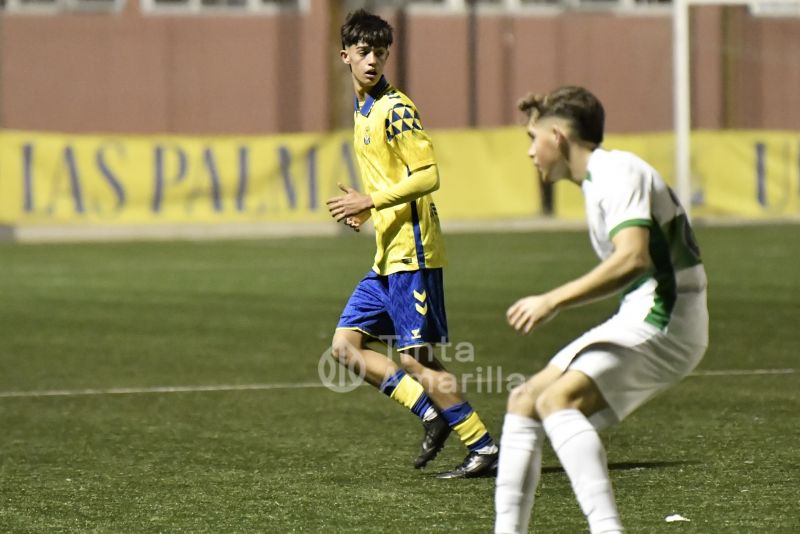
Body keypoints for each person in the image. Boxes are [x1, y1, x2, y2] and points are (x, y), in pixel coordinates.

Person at [493, 86, 709, 533]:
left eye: (533, 139)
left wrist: (551, 300)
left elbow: (633, 259)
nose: (530, 152)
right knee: (524, 401)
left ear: (558, 136)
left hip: (668, 314)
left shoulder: (616, 171)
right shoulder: (599, 181)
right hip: (643, 311)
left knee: (557, 400)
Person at [325, 9, 498, 479]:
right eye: (364, 52)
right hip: (387, 254)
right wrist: (370, 209)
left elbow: (429, 175)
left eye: (380, 52)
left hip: (414, 251)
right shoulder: (362, 112)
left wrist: (372, 199)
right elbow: (391, 180)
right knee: (345, 347)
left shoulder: (396, 109)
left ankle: (482, 446)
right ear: (345, 56)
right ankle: (429, 412)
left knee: (415, 357)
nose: (373, 60)